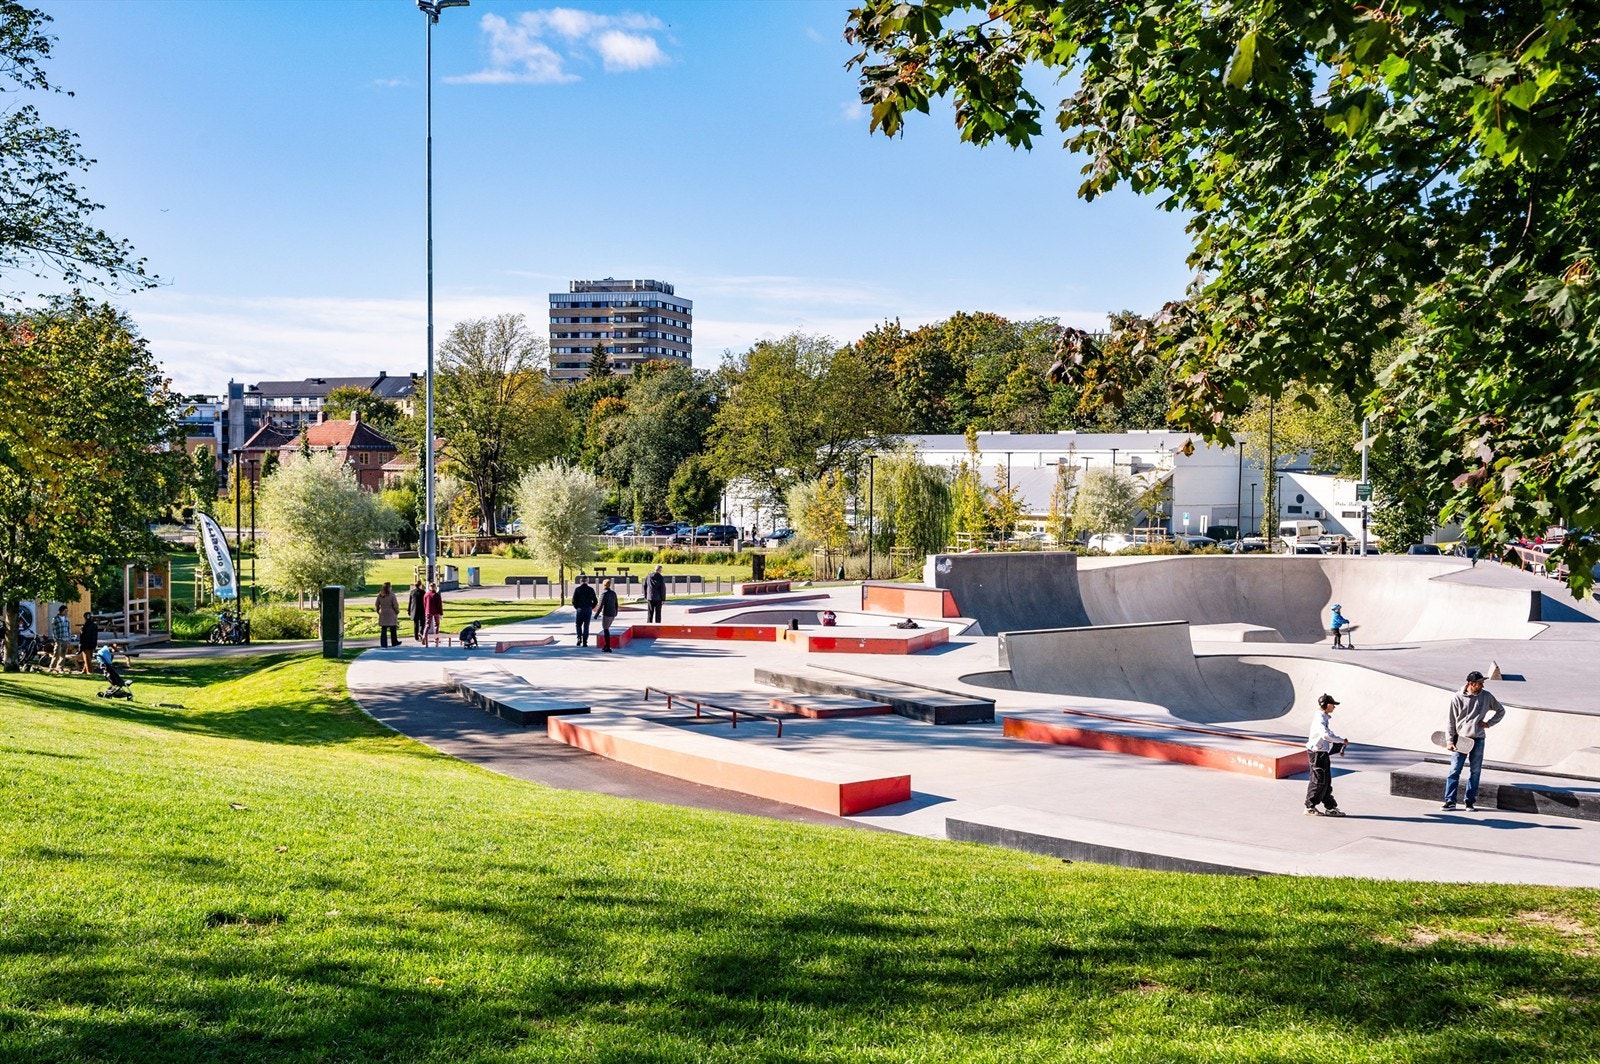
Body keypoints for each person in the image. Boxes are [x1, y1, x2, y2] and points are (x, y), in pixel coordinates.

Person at [1443, 670, 1506, 812]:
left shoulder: (1486, 696)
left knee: (1475, 771)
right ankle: (1450, 800)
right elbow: (1450, 721)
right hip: (1461, 739)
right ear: (1471, 684)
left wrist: (1489, 723)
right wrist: (1449, 741)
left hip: (1478, 739)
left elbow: (1501, 710)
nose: (1482, 686)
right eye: (1480, 683)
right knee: (1454, 770)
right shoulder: (1457, 698)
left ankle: (1469, 801)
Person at [1304, 693, 1349, 817]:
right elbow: (1325, 735)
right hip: (1317, 753)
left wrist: (1339, 740)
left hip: (1322, 753)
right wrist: (1340, 740)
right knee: (1318, 780)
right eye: (1333, 705)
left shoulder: (1323, 717)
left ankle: (1330, 807)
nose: (1334, 707)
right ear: (1327, 705)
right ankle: (1309, 806)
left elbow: (1328, 733)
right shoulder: (1320, 718)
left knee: (1326, 781)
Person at [571, 576, 597, 647]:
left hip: (580, 608)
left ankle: (579, 638)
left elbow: (573, 601)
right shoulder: (591, 589)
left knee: (578, 624)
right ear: (587, 581)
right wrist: (592, 607)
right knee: (586, 625)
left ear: (581, 581)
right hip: (588, 609)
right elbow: (595, 600)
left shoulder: (577, 589)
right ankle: (585, 641)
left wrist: (577, 607)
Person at [49, 605, 75, 673]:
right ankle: (52, 667)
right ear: (61, 611)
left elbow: (69, 629)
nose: (66, 612)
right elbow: (54, 630)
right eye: (65, 611)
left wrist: (69, 638)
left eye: (67, 611)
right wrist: (56, 639)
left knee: (63, 654)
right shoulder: (55, 619)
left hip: (66, 639)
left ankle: (60, 667)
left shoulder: (67, 619)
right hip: (59, 639)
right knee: (56, 653)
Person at [374, 581, 401, 648]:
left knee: (384, 629)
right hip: (391, 612)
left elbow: (377, 604)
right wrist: (397, 611)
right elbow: (395, 604)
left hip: (383, 613)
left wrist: (378, 611)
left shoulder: (380, 595)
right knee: (393, 629)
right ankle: (394, 642)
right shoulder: (392, 595)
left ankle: (383, 644)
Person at [598, 578, 619, 652]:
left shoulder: (604, 594)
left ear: (603, 585)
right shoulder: (613, 593)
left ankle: (608, 646)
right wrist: (616, 612)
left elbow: (600, 605)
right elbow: (616, 603)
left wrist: (596, 615)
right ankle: (606, 645)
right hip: (613, 613)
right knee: (607, 628)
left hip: (607, 614)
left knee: (606, 629)